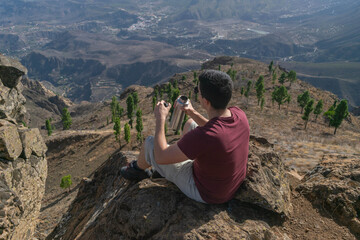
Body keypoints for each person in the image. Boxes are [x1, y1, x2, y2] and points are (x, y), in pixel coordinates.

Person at [121, 70, 250, 204]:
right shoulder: (239, 114)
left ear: (206, 101)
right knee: (190, 124)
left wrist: (160, 118)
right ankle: (169, 164)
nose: (196, 94)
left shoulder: (205, 136)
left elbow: (160, 156)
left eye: (197, 91)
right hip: (227, 185)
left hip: (206, 192)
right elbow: (216, 130)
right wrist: (192, 112)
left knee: (150, 143)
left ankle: (137, 170)